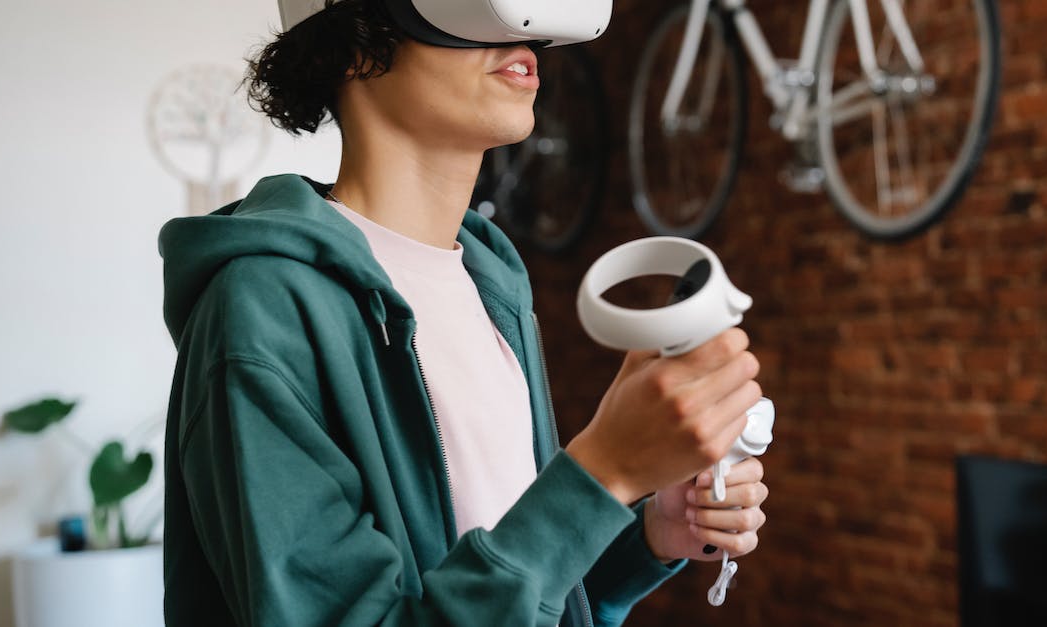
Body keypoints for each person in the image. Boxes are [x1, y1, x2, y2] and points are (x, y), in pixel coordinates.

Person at [157, 1, 769, 625]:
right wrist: (602, 475)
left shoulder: (489, 277)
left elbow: (516, 586)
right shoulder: (263, 309)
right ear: (353, 47)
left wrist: (644, 536)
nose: (520, 32)